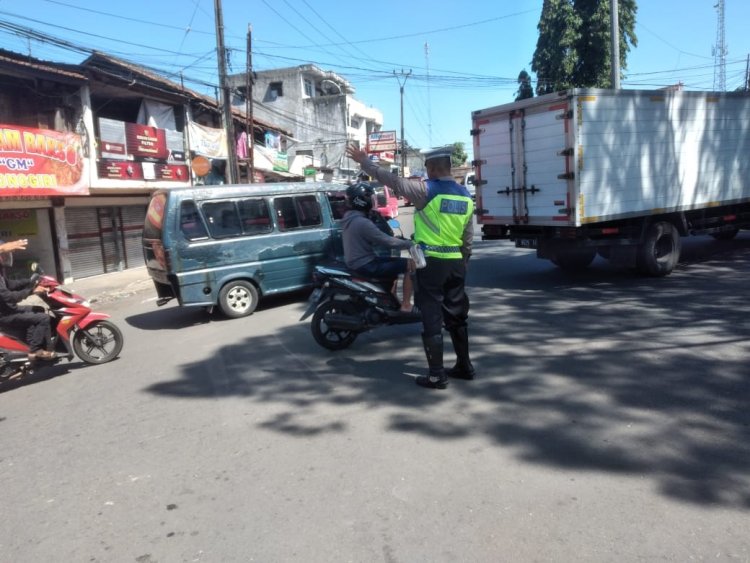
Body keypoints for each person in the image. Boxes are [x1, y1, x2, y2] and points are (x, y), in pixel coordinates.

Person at [345, 144, 475, 390]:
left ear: (433, 168)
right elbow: (467, 238)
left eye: (427, 168)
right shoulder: (465, 196)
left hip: (431, 262)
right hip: (456, 263)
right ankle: (464, 366)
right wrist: (463, 263)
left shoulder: (426, 190)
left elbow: (392, 180)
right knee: (457, 316)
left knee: (431, 316)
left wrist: (365, 162)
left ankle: (437, 375)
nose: (426, 173)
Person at [341, 182, 416, 312]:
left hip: (357, 261)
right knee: (410, 264)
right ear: (362, 201)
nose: (372, 201)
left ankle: (389, 298)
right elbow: (387, 241)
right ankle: (406, 305)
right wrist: (408, 244)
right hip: (365, 264)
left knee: (393, 261)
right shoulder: (362, 222)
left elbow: (371, 237)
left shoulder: (349, 218)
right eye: (370, 198)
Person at [0, 239, 55, 361]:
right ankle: (35, 350)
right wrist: (31, 291)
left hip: (8, 310)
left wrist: (29, 281)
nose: (4, 258)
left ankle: (34, 343)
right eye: (2, 256)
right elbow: (8, 297)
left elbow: (11, 284)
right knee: (43, 318)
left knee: (38, 309)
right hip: (5, 315)